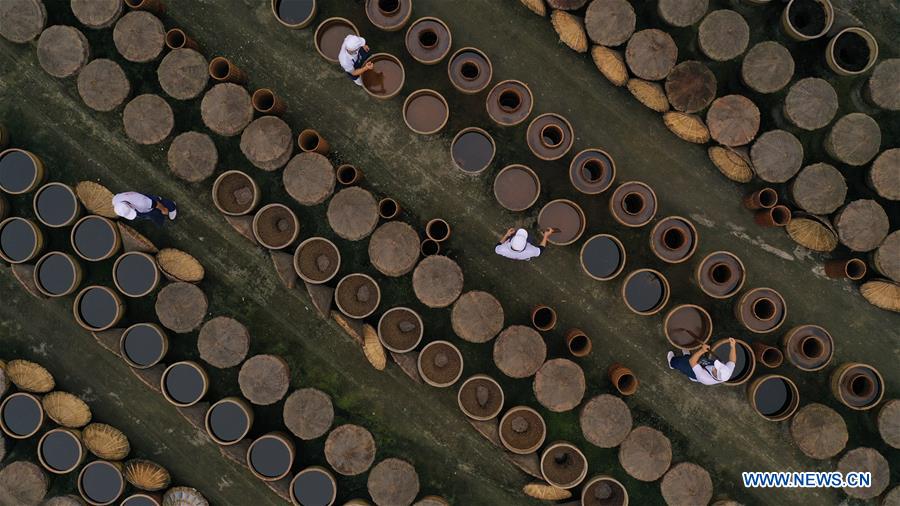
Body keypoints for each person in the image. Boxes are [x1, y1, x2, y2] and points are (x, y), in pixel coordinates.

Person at [666, 337, 736, 385]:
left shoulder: (704, 377)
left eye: (717, 368)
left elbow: (692, 361)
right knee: (698, 359)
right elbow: (732, 361)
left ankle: (671, 363)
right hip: (703, 367)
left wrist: (702, 350)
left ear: (716, 374)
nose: (716, 366)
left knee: (680, 363)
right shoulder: (727, 372)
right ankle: (686, 356)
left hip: (695, 371)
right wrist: (733, 346)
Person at [112, 191, 177, 226]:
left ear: (129, 205)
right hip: (138, 198)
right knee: (149, 201)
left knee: (156, 204)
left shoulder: (142, 203)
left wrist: (164, 209)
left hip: (144, 201)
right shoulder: (115, 200)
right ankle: (156, 198)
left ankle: (171, 206)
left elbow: (156, 204)